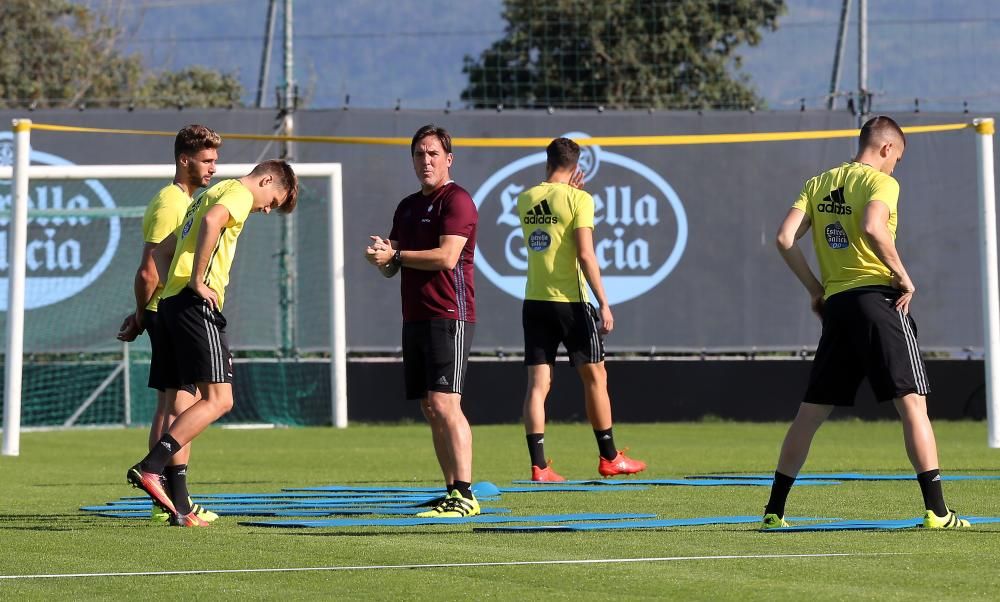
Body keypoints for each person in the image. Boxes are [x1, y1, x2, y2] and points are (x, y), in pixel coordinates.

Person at [762, 115, 969, 530]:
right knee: (913, 404)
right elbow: (873, 225)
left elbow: (785, 238)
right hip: (878, 302)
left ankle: (774, 511)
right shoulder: (881, 182)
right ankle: (938, 512)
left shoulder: (818, 183)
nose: (896, 168)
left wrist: (815, 289)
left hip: (838, 307)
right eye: (898, 158)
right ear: (887, 148)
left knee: (810, 414)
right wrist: (904, 276)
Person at [126, 159, 298, 527]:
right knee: (220, 400)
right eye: (272, 200)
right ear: (266, 179)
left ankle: (181, 507)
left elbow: (161, 252)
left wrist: (150, 306)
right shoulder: (235, 193)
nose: (266, 209)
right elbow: (211, 222)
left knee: (181, 404)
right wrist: (199, 280)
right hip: (192, 305)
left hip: (169, 305)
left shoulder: (208, 194)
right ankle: (150, 468)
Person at [365, 124, 480, 518]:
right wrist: (382, 255)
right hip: (414, 316)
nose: (426, 161)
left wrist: (395, 256)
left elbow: (447, 257)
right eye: (419, 154)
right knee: (430, 407)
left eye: (433, 154)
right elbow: (392, 266)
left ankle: (465, 493)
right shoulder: (408, 206)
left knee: (446, 403)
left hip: (450, 314)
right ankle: (451, 490)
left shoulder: (458, 200)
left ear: (448, 159)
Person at [515, 137, 646, 482]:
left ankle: (539, 467)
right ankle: (609, 457)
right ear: (577, 167)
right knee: (596, 376)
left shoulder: (525, 198)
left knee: (537, 384)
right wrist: (604, 301)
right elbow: (585, 254)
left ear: (547, 160)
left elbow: (550, 213)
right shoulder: (579, 199)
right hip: (570, 302)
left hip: (534, 302)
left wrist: (567, 192)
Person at [117, 124, 221, 524]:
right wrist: (142, 315)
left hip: (165, 312)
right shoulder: (171, 203)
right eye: (206, 160)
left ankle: (170, 501)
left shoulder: (186, 201)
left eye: (215, 160)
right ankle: (170, 498)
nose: (213, 167)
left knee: (172, 404)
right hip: (168, 312)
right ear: (184, 159)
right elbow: (148, 270)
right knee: (183, 404)